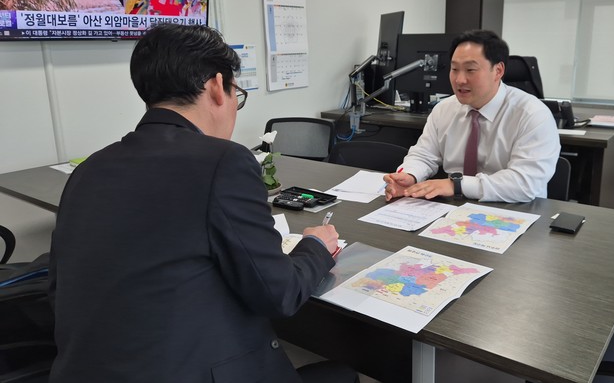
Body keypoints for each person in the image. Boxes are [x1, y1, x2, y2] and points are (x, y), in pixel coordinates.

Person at [48, 24, 358, 383]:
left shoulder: (89, 168)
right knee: (342, 375)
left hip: (85, 370)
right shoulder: (224, 161)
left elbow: (59, 289)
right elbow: (280, 294)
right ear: (216, 85)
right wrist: (316, 246)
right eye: (237, 94)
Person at [384, 29, 560, 203]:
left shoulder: (532, 115)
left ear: (498, 71)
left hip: (515, 209)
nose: (459, 80)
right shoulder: (444, 109)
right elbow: (423, 155)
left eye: (470, 70)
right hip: (455, 209)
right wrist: (410, 175)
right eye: (454, 69)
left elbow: (525, 183)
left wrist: (457, 185)